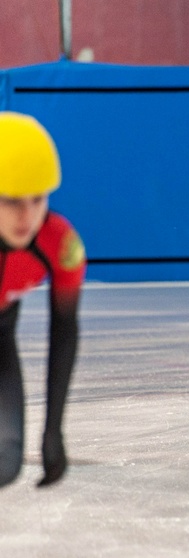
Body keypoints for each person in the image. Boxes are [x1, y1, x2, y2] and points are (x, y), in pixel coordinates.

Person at [0, 112, 86, 487]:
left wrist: (54, 430)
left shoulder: (61, 243)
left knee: (6, 462)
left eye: (38, 200)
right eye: (11, 201)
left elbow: (64, 331)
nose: (26, 216)